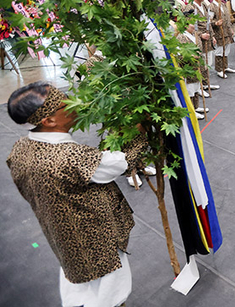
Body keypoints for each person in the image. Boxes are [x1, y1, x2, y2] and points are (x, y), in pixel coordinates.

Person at [6, 82, 147, 307]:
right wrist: (140, 134)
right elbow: (121, 163)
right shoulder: (72, 157)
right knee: (108, 291)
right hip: (96, 240)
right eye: (65, 103)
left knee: (81, 285)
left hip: (62, 237)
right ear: (49, 121)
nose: (76, 103)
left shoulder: (19, 149)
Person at [192, 0, 219, 93]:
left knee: (208, 62)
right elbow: (190, 27)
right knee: (200, 63)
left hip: (207, 38)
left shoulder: (203, 5)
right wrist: (200, 35)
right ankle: (200, 87)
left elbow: (208, 23)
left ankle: (206, 83)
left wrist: (212, 36)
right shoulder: (191, 8)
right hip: (198, 40)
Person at [210, 0, 235, 79]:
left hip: (226, 31)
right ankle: (219, 69)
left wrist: (231, 29)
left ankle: (225, 66)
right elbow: (209, 21)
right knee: (219, 51)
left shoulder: (223, 5)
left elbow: (227, 19)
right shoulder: (212, 7)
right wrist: (216, 23)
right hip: (218, 32)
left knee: (227, 49)